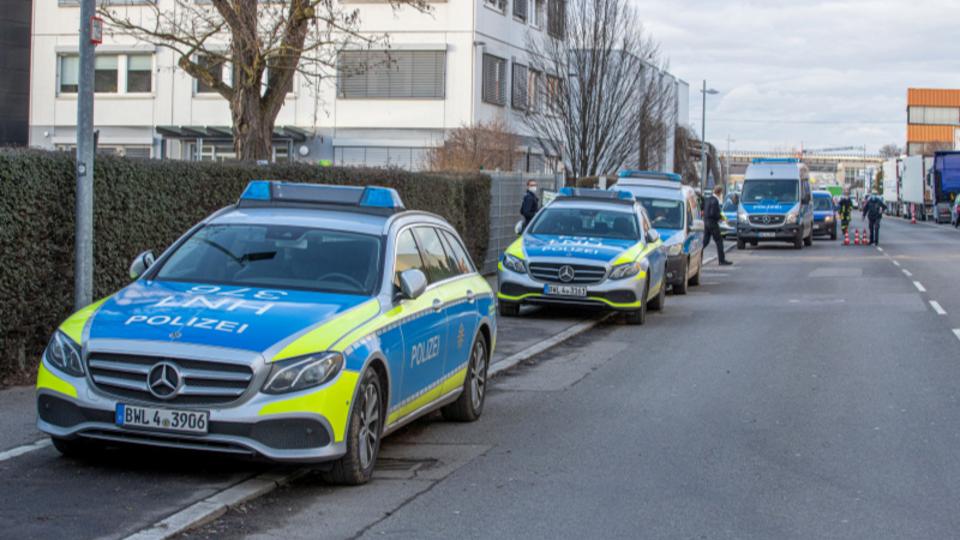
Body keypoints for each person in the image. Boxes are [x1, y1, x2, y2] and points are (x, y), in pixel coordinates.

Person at [703, 184, 732, 266]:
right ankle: (721, 260)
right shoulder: (715, 201)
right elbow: (713, 213)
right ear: (720, 193)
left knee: (705, 241)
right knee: (719, 241)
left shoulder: (708, 199)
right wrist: (720, 217)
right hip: (712, 223)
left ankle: (698, 254)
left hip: (706, 223)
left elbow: (705, 210)